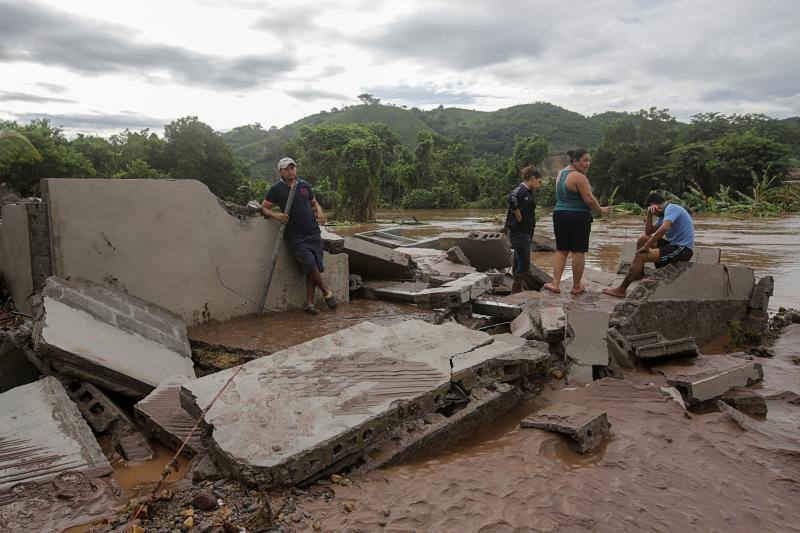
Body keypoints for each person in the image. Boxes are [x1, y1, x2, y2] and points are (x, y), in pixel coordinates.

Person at [261, 157, 338, 315]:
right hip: (295, 235)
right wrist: (277, 215)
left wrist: (320, 211)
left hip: (313, 232)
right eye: (287, 169)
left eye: (293, 168)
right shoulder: (276, 189)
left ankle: (309, 303)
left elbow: (314, 202)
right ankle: (326, 291)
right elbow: (264, 208)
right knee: (310, 265)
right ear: (281, 172)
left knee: (314, 268)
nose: (291, 172)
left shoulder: (304, 185)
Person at [544, 149, 612, 295]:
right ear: (575, 161)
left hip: (559, 213)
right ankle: (576, 286)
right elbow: (588, 198)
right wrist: (600, 209)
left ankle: (555, 284)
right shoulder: (579, 177)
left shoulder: (561, 174)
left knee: (561, 250)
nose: (588, 164)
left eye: (589, 160)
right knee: (578, 251)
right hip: (577, 215)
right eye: (584, 160)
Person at [602, 192, 694, 298]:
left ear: (653, 204)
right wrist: (649, 213)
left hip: (682, 250)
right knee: (643, 238)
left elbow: (665, 228)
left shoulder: (672, 209)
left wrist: (647, 246)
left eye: (650, 209)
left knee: (641, 255)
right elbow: (648, 232)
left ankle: (621, 290)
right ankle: (639, 273)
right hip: (673, 245)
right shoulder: (663, 214)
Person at [505, 165, 542, 293]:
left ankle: (515, 291)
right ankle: (516, 288)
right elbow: (511, 197)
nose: (539, 184)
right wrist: (517, 213)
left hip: (525, 232)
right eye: (538, 181)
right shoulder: (521, 189)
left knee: (518, 261)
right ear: (532, 178)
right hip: (519, 233)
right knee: (524, 265)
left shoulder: (527, 192)